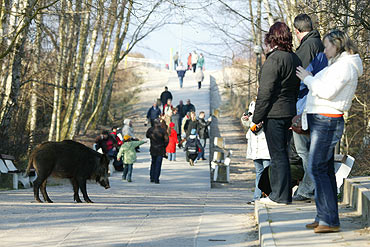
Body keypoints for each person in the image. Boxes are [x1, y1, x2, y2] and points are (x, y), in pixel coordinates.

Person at [296, 29, 363, 233]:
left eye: (327, 46)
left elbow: (326, 91)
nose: (324, 51)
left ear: (337, 45)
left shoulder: (345, 67)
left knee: (318, 167)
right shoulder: (338, 64)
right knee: (322, 169)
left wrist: (308, 78)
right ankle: (325, 216)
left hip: (328, 121)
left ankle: (330, 220)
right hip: (322, 119)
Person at [252, 22, 302, 205]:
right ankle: (284, 195)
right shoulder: (295, 59)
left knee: (278, 155)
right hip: (290, 111)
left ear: (272, 39)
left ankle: (279, 196)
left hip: (274, 114)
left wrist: (256, 118)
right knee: (284, 154)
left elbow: (265, 93)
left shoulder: (273, 60)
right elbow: (296, 89)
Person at [292, 13, 328, 201]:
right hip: (318, 104)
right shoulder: (320, 44)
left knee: (304, 151)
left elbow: (301, 78)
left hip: (305, 106)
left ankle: (308, 188)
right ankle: (310, 187)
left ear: (297, 31)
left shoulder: (307, 48)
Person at [241, 101, 270, 204]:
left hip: (265, 142)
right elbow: (250, 123)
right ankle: (257, 197)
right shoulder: (253, 104)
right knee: (259, 172)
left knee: (267, 172)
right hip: (255, 144)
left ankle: (268, 195)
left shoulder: (269, 102)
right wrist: (245, 119)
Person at [146, 119, 169, 184]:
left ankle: (152, 177)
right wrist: (164, 146)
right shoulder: (163, 131)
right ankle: (156, 178)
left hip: (153, 148)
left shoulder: (150, 130)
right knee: (158, 164)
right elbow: (167, 140)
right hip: (160, 149)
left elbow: (147, 136)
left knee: (153, 163)